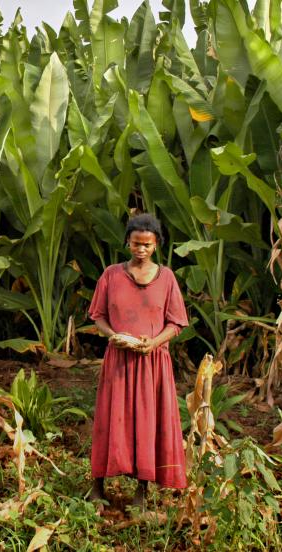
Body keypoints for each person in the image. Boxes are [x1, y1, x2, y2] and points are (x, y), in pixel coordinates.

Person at [87, 213, 189, 512]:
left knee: (148, 422)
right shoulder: (111, 275)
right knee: (110, 419)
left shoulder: (167, 278)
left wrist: (153, 343)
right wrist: (114, 336)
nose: (141, 249)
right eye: (135, 243)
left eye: (147, 244)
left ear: (156, 245)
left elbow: (176, 323)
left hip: (153, 363)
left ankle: (141, 492)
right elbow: (98, 316)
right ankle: (97, 487)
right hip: (118, 360)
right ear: (127, 242)